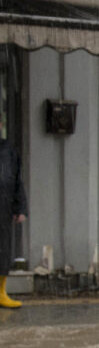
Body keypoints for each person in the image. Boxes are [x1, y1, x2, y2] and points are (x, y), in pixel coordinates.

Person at [0, 128, 20, 310]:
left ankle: (1, 292)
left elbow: (17, 180)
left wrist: (20, 207)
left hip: (3, 208)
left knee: (3, 251)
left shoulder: (8, 150)